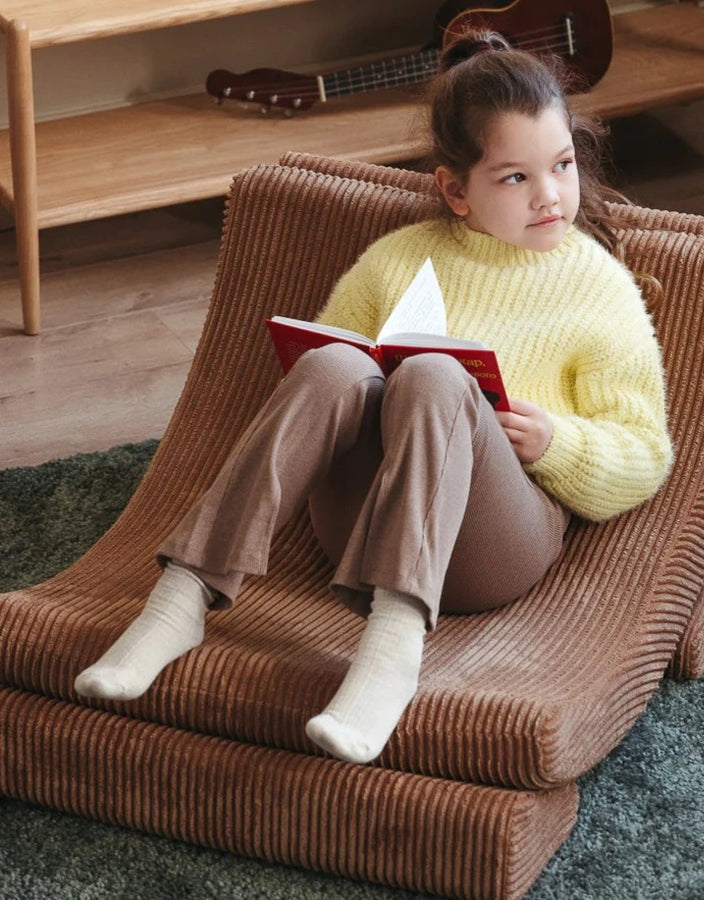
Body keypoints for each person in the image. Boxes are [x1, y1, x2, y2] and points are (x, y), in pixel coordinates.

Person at [74, 30, 673, 765]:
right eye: (515, 177)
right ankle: (181, 601)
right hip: (360, 522)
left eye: (561, 165)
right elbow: (321, 376)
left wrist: (557, 442)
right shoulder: (399, 259)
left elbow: (646, 455)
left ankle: (391, 650)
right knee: (333, 364)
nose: (551, 194)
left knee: (435, 374)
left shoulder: (597, 287)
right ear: (457, 190)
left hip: (494, 543)